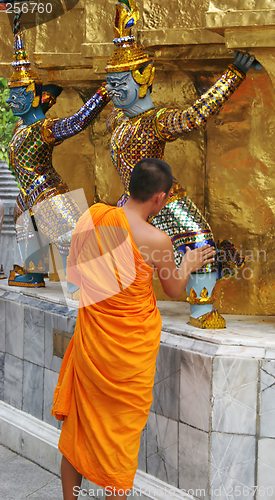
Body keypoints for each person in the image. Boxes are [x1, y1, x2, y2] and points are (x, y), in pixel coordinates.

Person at [51, 158, 215, 500]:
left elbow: (76, 277)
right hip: (127, 358)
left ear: (131, 186)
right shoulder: (156, 240)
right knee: (120, 444)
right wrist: (188, 263)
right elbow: (173, 290)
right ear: (159, 198)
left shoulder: (93, 216)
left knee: (77, 435)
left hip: (92, 346)